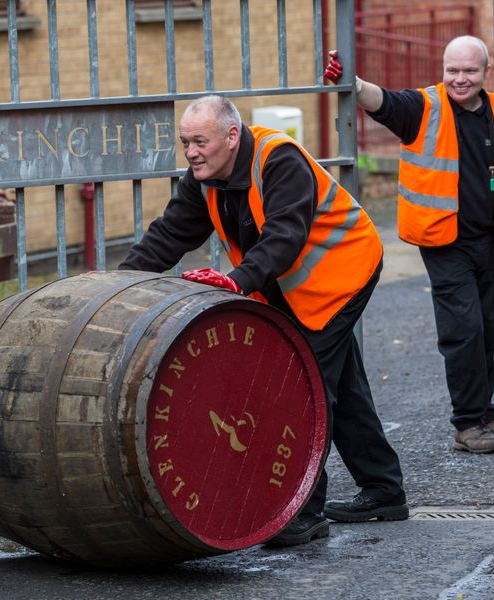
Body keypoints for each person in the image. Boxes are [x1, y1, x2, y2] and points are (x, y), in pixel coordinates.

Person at [119, 95, 408, 546]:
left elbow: (284, 237)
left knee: (304, 389)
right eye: (185, 142)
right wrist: (117, 285)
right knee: (342, 384)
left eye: (200, 141)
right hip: (289, 289)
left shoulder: (280, 160)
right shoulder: (205, 178)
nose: (191, 152)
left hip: (340, 274)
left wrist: (237, 281)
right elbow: (170, 234)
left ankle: (303, 513)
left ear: (231, 137)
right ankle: (384, 489)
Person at [324, 36, 494, 454]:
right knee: (464, 329)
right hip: (444, 239)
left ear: (486, 73)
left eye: (470, 71)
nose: (460, 79)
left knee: (488, 328)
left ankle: (485, 414)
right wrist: (350, 79)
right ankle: (468, 424)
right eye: (452, 70)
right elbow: (379, 100)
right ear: (443, 69)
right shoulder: (424, 107)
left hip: (491, 236)